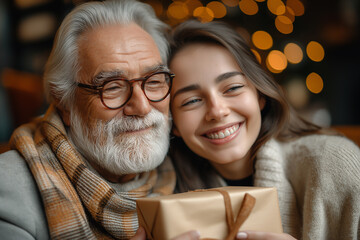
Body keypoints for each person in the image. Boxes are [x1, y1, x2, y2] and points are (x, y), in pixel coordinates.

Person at [0, 0, 177, 239]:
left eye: (154, 81)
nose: (142, 107)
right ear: (64, 103)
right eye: (112, 87)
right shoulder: (9, 192)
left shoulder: (185, 168)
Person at [168, 20, 360, 239]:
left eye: (233, 88)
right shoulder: (165, 191)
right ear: (173, 123)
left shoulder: (335, 162)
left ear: (259, 94)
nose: (217, 111)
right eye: (191, 101)